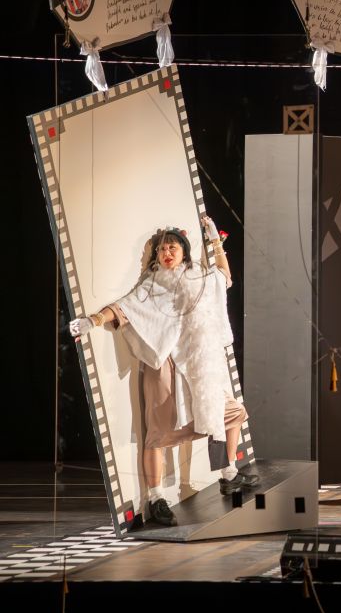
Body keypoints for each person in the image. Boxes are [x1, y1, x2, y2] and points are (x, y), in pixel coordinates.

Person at [69, 216, 258, 527]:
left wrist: (214, 242)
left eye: (172, 247)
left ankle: (228, 473)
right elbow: (122, 307)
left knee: (233, 413)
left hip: (198, 367)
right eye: (161, 249)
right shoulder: (150, 287)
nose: (167, 253)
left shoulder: (199, 279)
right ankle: (156, 497)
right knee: (158, 433)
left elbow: (223, 277)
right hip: (165, 365)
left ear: (183, 251)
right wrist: (92, 321)